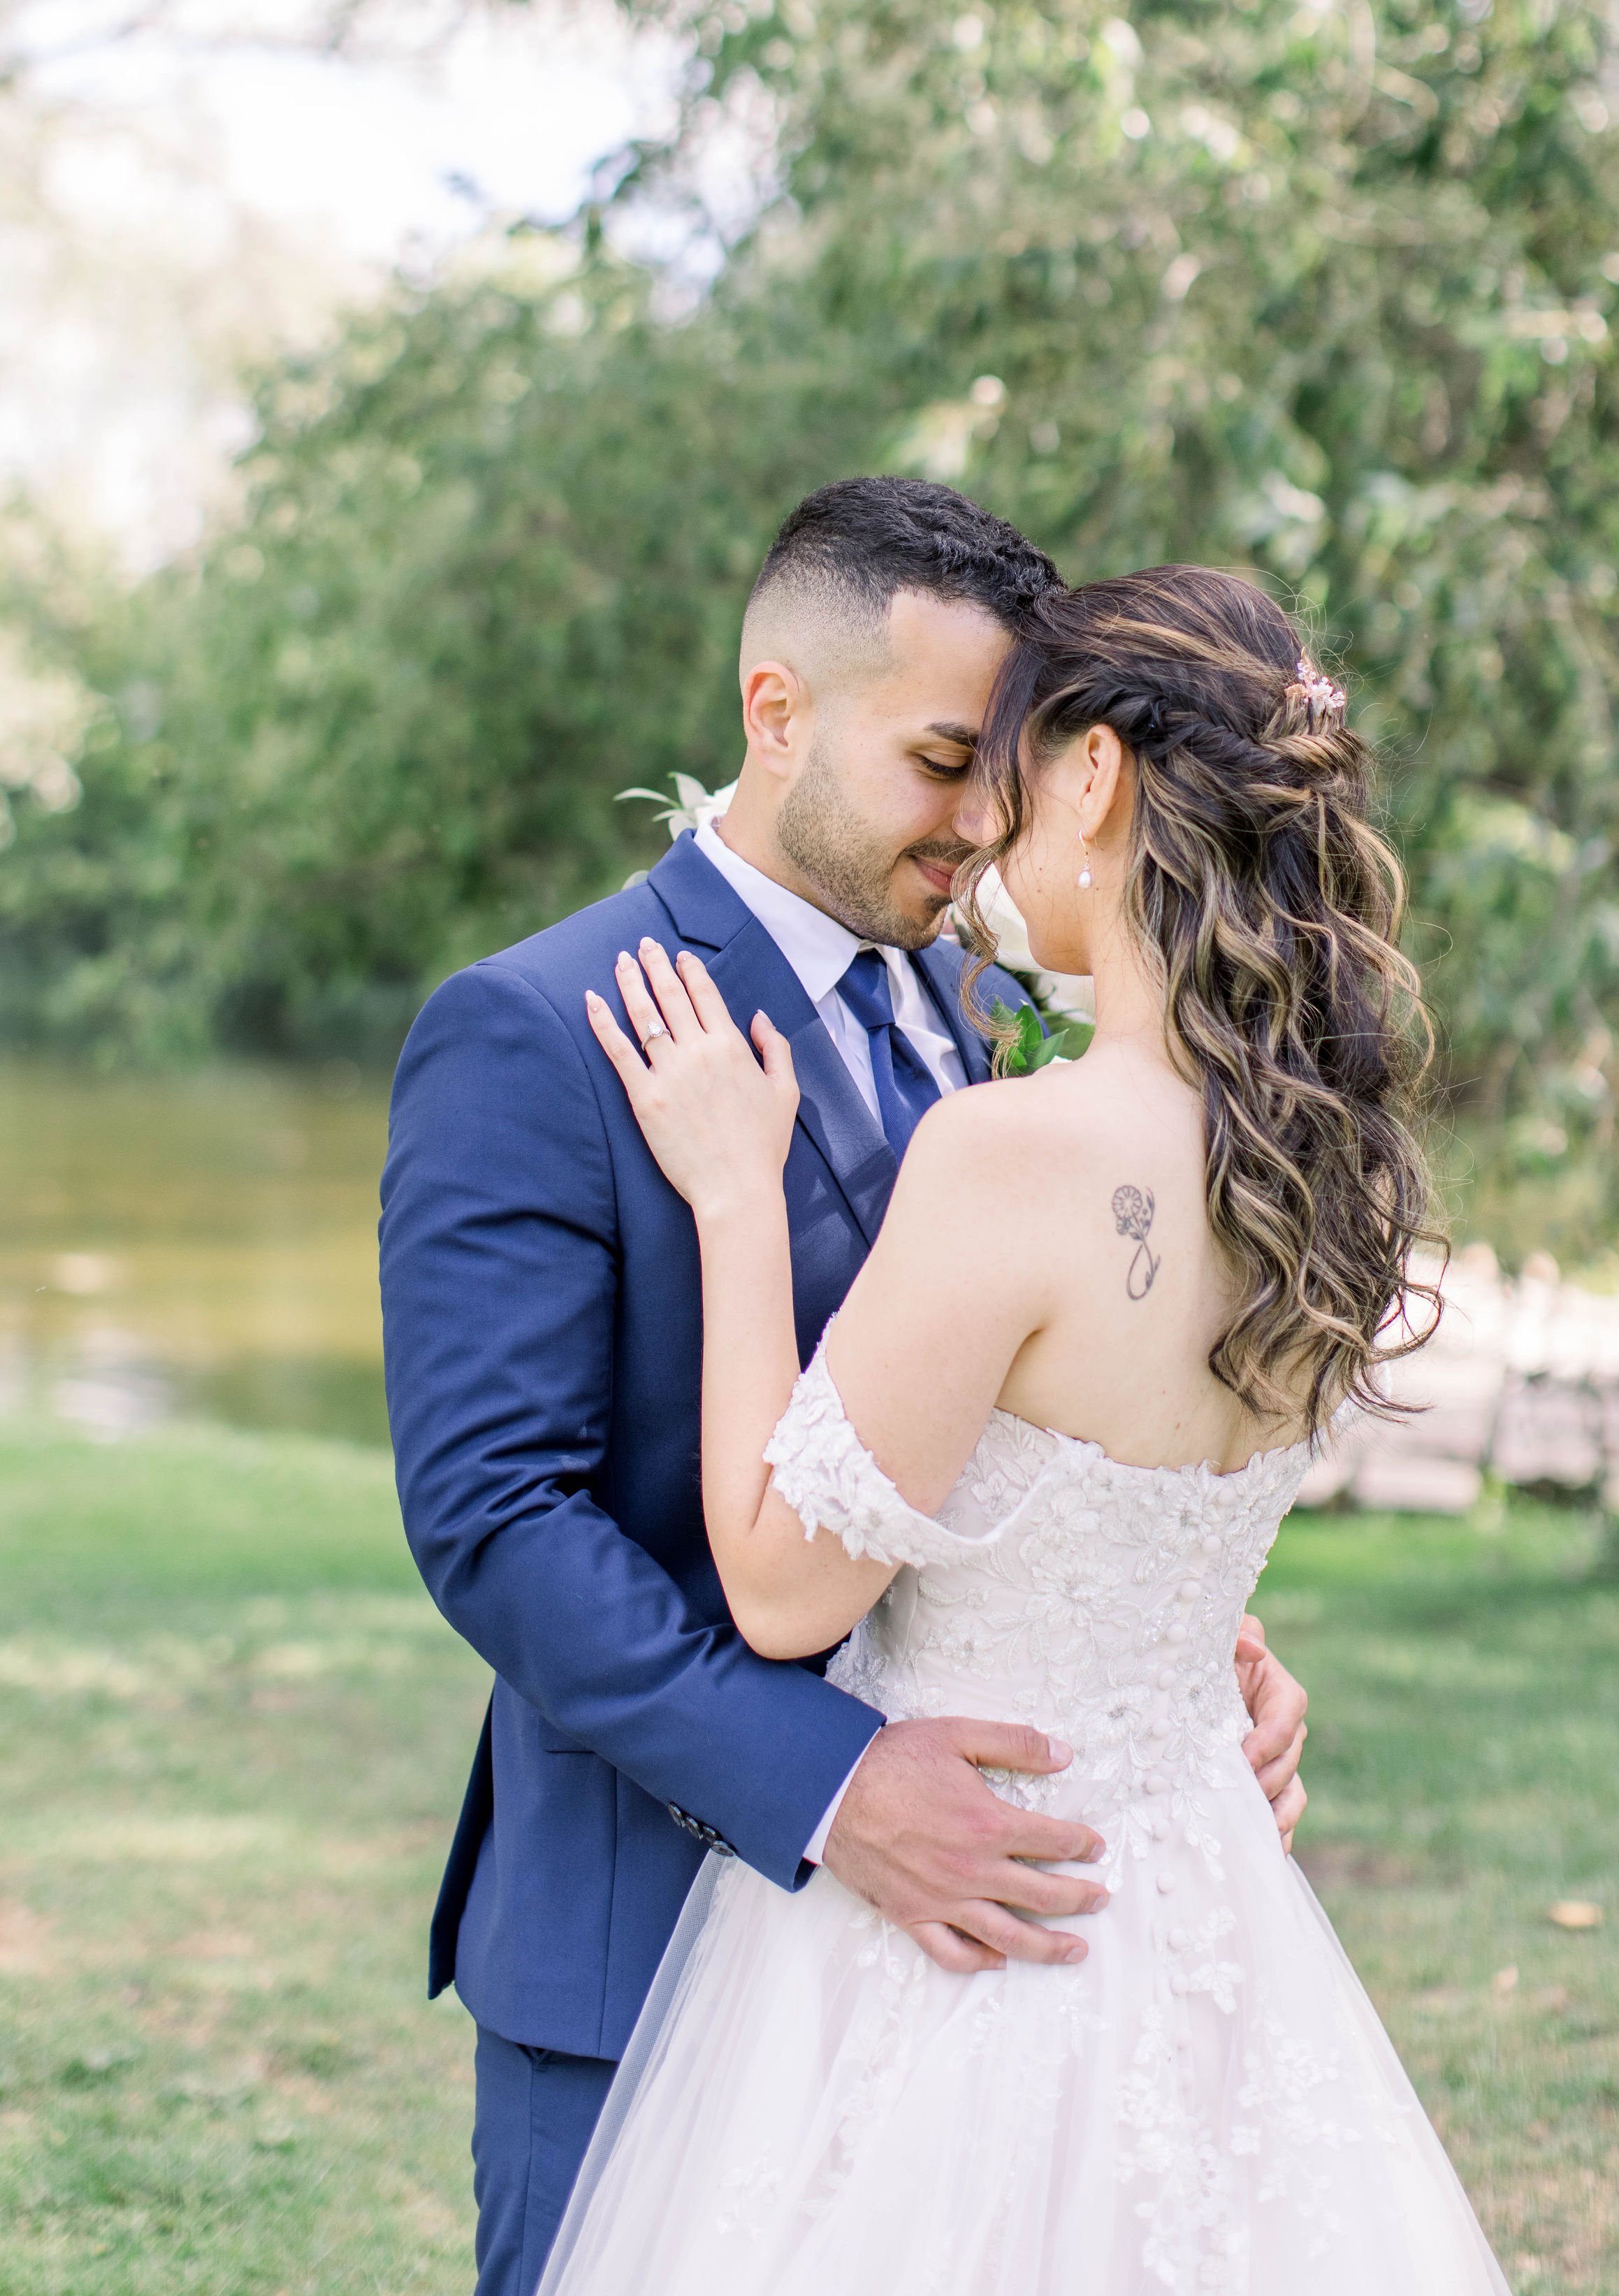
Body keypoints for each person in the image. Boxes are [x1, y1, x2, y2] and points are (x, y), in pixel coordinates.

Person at [379, 484, 1311, 2296]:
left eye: (1012, 773)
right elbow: (495, 1520)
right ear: (777, 710)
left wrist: (1188, 1631)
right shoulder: (534, 1027)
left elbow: (1003, 1417)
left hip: (968, 1988)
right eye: (945, 759)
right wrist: (828, 1785)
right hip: (642, 1951)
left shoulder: (971, 1025)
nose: (982, 827)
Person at [553, 564, 1511, 2294]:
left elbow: (783, 1593)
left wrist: (733, 1199)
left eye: (1012, 769)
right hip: (1200, 1909)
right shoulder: (1327, 1167)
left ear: (1094, 780)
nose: (984, 831)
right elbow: (1144, 1515)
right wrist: (1217, 1642)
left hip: (969, 1931)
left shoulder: (1017, 1151)